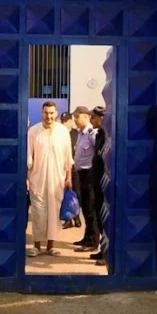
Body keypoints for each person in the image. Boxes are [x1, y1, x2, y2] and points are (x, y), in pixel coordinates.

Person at [26, 101, 74, 257]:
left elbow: (68, 157)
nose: (49, 116)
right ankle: (36, 246)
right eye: (46, 113)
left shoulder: (63, 132)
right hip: (37, 179)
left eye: (52, 113)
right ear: (42, 113)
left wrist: (68, 178)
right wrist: (27, 178)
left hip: (57, 179)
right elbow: (28, 157)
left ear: (56, 113)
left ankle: (51, 246)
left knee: (54, 211)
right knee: (38, 212)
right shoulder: (33, 131)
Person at [71, 106, 99, 252]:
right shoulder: (81, 133)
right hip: (81, 175)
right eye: (74, 117)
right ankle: (87, 237)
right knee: (85, 207)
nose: (75, 120)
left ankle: (93, 241)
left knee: (91, 208)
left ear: (86, 117)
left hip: (89, 175)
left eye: (77, 117)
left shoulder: (91, 133)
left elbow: (98, 153)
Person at [89, 106, 107, 266]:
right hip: (97, 181)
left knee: (105, 219)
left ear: (101, 117)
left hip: (104, 183)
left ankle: (106, 254)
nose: (91, 119)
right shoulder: (100, 134)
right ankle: (103, 249)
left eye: (93, 117)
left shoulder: (107, 135)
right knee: (99, 217)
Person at [60, 111, 81, 229]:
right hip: (63, 168)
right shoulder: (59, 134)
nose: (64, 123)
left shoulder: (76, 134)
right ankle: (68, 219)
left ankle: (76, 218)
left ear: (70, 121)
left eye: (66, 121)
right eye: (62, 121)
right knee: (64, 194)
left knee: (75, 194)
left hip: (75, 169)